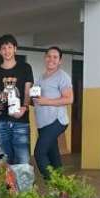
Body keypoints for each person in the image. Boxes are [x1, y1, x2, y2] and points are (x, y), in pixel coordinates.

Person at [0, 34, 34, 165]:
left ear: (15, 49)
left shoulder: (25, 68)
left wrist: (24, 107)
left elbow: (27, 89)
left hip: (21, 122)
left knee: (23, 161)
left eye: (9, 47)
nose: (7, 51)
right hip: (1, 122)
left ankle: (24, 187)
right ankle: (6, 186)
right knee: (4, 162)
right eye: (3, 48)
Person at [33, 46, 74, 179]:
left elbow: (69, 98)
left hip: (56, 121)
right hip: (42, 123)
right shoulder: (40, 77)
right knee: (54, 157)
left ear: (60, 61)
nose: (51, 59)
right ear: (45, 58)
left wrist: (47, 101)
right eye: (49, 56)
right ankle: (64, 192)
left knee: (39, 153)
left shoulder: (62, 76)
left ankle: (53, 183)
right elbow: (37, 98)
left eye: (55, 57)